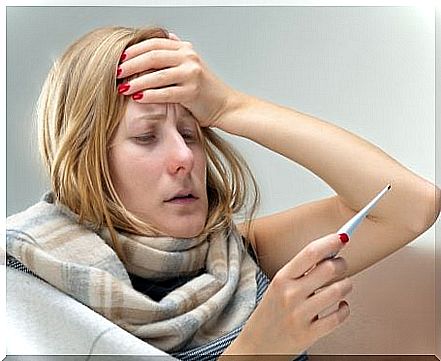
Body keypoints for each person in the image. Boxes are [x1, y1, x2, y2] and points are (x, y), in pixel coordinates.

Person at [6, 25, 440, 361]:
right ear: (86, 158)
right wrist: (256, 351)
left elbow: (410, 206)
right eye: (146, 136)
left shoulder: (240, 254)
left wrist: (232, 106)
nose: (185, 158)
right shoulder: (26, 279)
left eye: (191, 132)